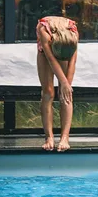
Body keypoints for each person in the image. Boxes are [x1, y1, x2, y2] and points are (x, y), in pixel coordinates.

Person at [36, 15, 79, 152]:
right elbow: (50, 58)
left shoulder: (73, 34)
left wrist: (67, 84)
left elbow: (72, 61)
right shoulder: (44, 31)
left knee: (65, 94)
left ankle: (65, 137)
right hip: (45, 52)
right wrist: (64, 81)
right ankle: (49, 137)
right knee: (48, 92)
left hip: (62, 44)